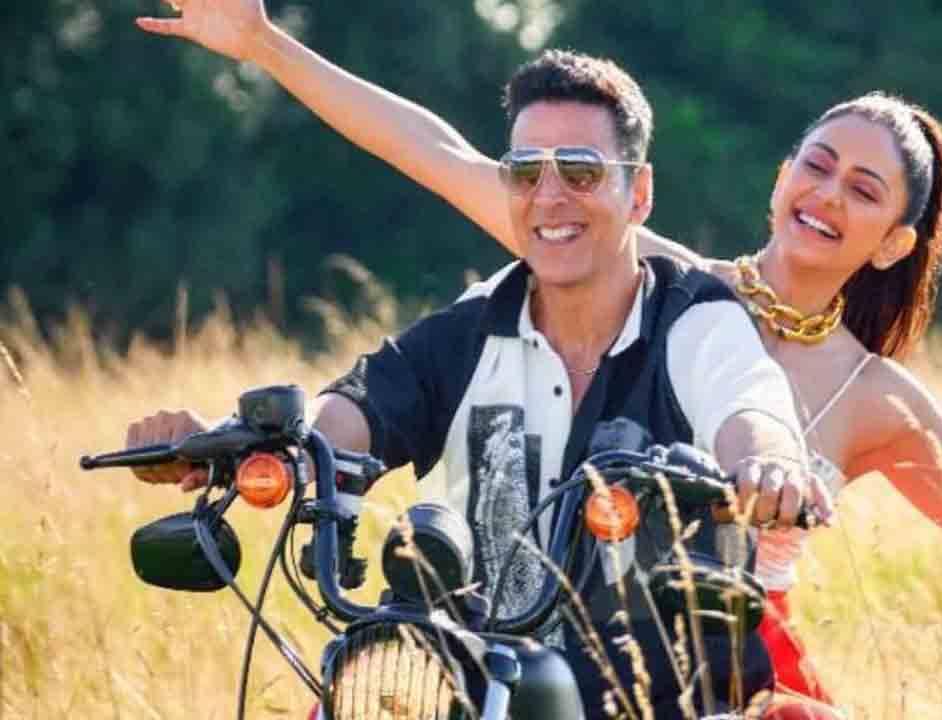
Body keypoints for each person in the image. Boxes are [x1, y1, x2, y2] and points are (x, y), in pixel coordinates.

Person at [133, 2, 942, 717]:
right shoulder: (629, 263)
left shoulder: (874, 401)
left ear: (891, 241)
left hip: (709, 678)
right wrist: (261, 43)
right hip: (518, 638)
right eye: (815, 162)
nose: (825, 193)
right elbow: (437, 152)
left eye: (862, 189)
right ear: (780, 173)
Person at [124, 43, 837, 719]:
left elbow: (749, 407)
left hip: (669, 702)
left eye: (580, 171)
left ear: (639, 192)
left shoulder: (696, 320)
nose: (549, 196)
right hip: (480, 695)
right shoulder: (474, 325)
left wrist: (768, 464)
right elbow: (356, 409)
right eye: (525, 172)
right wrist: (242, 444)